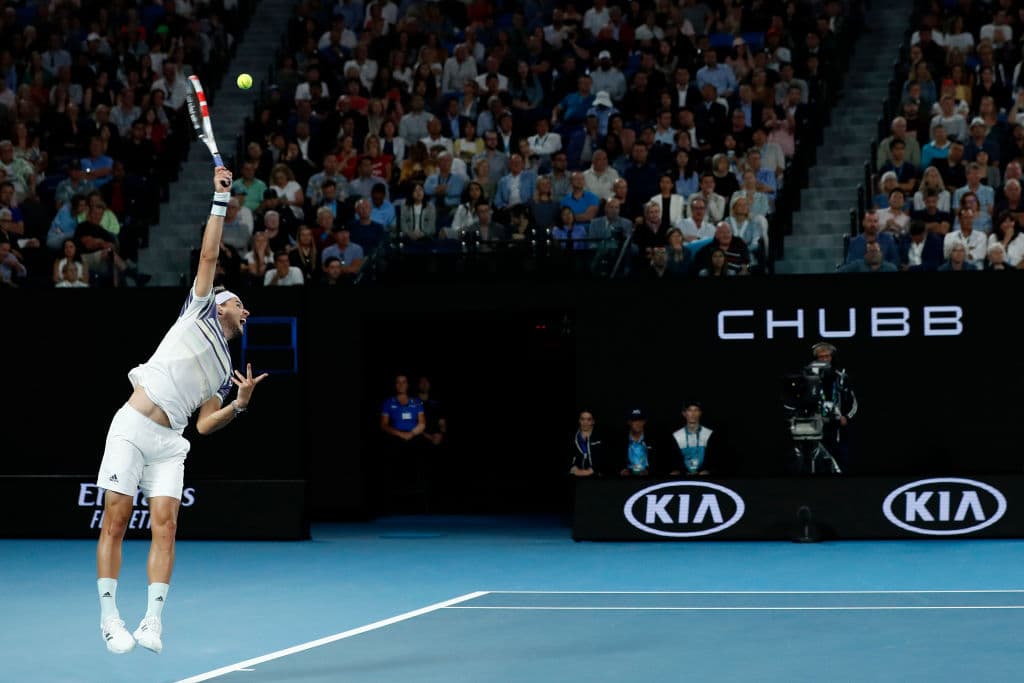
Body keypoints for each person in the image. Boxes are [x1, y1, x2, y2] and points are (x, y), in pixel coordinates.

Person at [94, 167, 268, 655]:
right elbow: (209, 254)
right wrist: (219, 200)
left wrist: (238, 405)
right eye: (239, 303)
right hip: (132, 426)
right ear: (221, 304)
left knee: (167, 528)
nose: (246, 310)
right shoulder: (200, 308)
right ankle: (110, 618)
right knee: (116, 519)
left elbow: (205, 424)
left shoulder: (225, 368)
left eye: (245, 307)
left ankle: (152, 621)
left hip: (171, 443)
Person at [670, 402, 715, 476]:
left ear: (700, 413)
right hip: (683, 477)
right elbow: (675, 461)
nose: (693, 414)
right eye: (689, 410)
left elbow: (713, 460)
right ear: (684, 414)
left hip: (704, 477)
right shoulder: (676, 435)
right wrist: (679, 471)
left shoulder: (709, 434)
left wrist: (707, 470)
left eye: (696, 410)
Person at [619, 408, 657, 477]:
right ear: (629, 422)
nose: (638, 423)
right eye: (634, 420)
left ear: (644, 422)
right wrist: (623, 470)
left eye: (640, 420)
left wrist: (648, 471)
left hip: (648, 478)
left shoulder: (653, 439)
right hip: (627, 479)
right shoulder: (621, 440)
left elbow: (659, 462)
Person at [570, 410, 604, 477]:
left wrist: (592, 470)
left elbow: (605, 458)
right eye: (582, 419)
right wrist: (573, 469)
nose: (585, 422)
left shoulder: (600, 437)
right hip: (575, 475)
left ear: (593, 421)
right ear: (579, 420)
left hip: (597, 476)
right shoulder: (573, 437)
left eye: (589, 419)